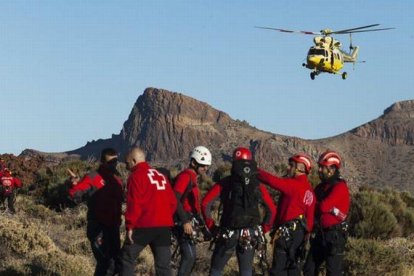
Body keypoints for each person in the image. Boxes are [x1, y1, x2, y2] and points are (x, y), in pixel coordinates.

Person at [201, 147, 276, 276]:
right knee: (246, 271)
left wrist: (213, 228)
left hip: (227, 232)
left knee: (216, 269)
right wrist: (263, 229)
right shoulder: (257, 185)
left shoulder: (225, 182)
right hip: (250, 233)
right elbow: (272, 210)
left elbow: (205, 203)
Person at [120, 147, 177, 276]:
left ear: (134, 161)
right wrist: (165, 217)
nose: (126, 166)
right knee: (164, 266)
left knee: (126, 258)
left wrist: (129, 226)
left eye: (127, 163)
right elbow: (173, 202)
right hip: (164, 227)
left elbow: (134, 204)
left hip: (144, 225)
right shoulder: (160, 175)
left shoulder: (136, 176)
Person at [257, 153, 316, 276]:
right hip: (299, 235)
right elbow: (310, 220)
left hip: (286, 234)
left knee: (279, 270)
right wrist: (305, 237)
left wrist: (254, 170)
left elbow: (272, 181)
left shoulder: (293, 185)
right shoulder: (309, 191)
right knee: (293, 269)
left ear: (299, 168)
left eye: (291, 165)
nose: (288, 168)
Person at [68, 148, 124, 276]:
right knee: (105, 263)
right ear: (103, 162)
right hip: (98, 227)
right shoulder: (93, 176)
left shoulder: (117, 180)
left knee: (115, 263)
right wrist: (73, 184)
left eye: (115, 162)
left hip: (114, 227)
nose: (114, 165)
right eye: (111, 162)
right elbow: (75, 195)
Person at [303, 150, 350, 276]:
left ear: (331, 170)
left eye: (322, 167)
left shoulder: (340, 187)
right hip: (320, 234)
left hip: (334, 236)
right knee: (309, 268)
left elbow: (323, 206)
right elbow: (310, 204)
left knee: (333, 271)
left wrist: (315, 205)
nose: (318, 170)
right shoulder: (321, 187)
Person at [173, 146, 213, 276]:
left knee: (190, 257)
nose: (205, 168)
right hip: (182, 222)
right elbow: (175, 199)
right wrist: (184, 221)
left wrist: (205, 229)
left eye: (207, 166)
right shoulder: (185, 177)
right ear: (193, 162)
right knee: (189, 257)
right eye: (202, 165)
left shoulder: (193, 178)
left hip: (188, 221)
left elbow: (195, 207)